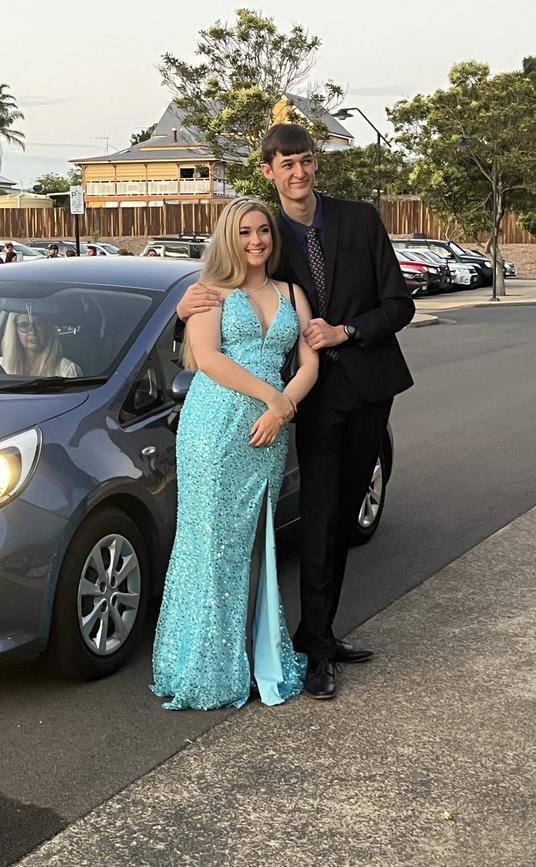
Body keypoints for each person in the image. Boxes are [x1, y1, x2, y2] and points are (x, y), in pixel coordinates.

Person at [177, 124, 415, 700]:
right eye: (286, 165)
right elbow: (216, 304)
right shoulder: (258, 229)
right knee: (317, 516)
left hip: (363, 388)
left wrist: (347, 330)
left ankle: (319, 634)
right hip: (301, 403)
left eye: (306, 162)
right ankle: (313, 652)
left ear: (315, 165)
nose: (298, 173)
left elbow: (399, 304)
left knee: (343, 517)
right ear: (269, 172)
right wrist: (184, 306)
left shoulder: (359, 219)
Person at [151, 196, 319, 711]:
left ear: (273, 236)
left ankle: (257, 653)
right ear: (229, 237)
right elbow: (207, 358)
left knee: (257, 544)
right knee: (211, 544)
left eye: (263, 231)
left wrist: (281, 408)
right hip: (216, 424)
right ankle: (203, 664)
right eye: (244, 232)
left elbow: (310, 363)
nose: (255, 241)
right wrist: (271, 397)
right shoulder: (210, 292)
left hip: (270, 426)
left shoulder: (292, 291)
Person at [0, 312, 82, 377]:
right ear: (14, 332)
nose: (32, 331)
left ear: (48, 329)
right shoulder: (2, 366)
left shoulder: (67, 370)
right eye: (24, 325)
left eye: (39, 324)